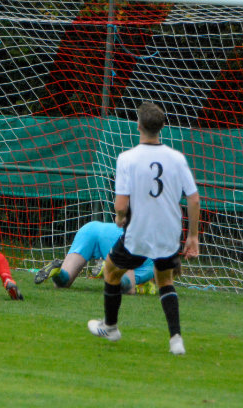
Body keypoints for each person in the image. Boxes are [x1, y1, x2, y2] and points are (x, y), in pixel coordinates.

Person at [87, 102, 200, 355]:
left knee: (111, 269)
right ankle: (176, 340)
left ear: (138, 126)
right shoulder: (177, 158)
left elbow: (121, 204)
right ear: (162, 127)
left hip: (139, 231)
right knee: (165, 280)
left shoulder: (127, 158)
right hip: (169, 231)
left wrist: (119, 217)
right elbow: (193, 199)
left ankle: (111, 326)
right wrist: (193, 236)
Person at [34, 221, 157, 295]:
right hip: (120, 237)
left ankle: (57, 271)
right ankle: (107, 267)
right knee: (128, 288)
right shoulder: (149, 268)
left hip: (91, 229)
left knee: (64, 282)